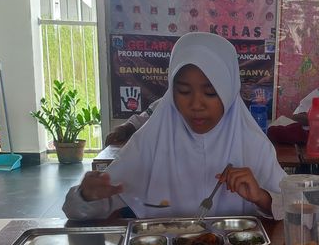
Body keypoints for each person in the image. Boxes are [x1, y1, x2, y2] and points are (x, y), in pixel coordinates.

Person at [63, 32, 286, 220]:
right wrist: (85, 196)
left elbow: (296, 206)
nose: (196, 104)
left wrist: (262, 197)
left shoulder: (253, 144)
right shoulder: (151, 141)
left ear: (229, 92)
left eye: (210, 92)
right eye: (183, 91)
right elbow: (78, 210)